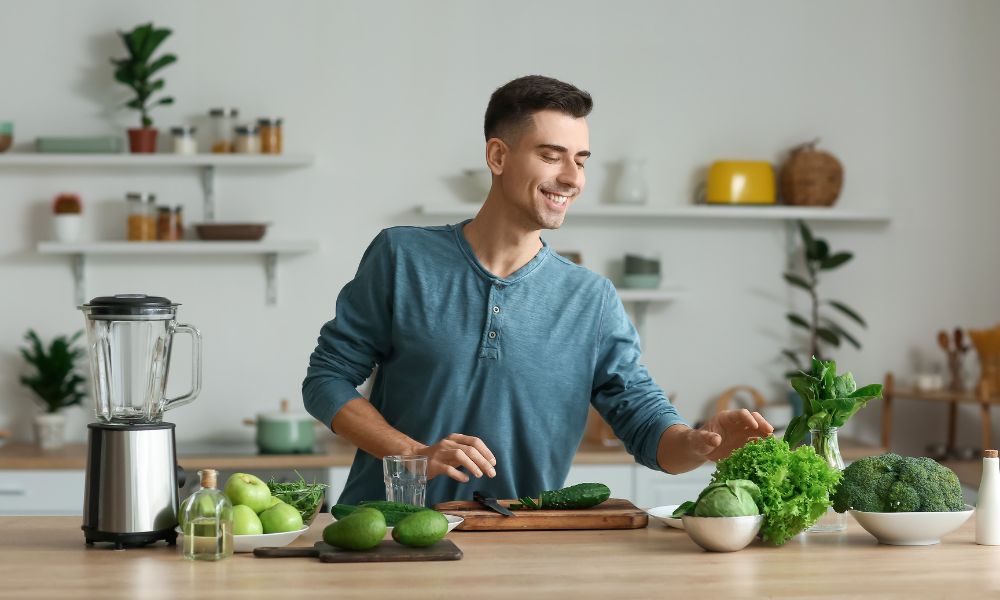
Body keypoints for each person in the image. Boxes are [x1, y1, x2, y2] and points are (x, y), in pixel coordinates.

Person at [303, 75, 773, 507]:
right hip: (382, 534)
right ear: (498, 156)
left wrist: (697, 444)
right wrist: (414, 453)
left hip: (520, 545)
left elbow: (646, 425)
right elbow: (326, 379)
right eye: (551, 156)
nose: (572, 177)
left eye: (580, 160)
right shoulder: (403, 257)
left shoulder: (591, 299)